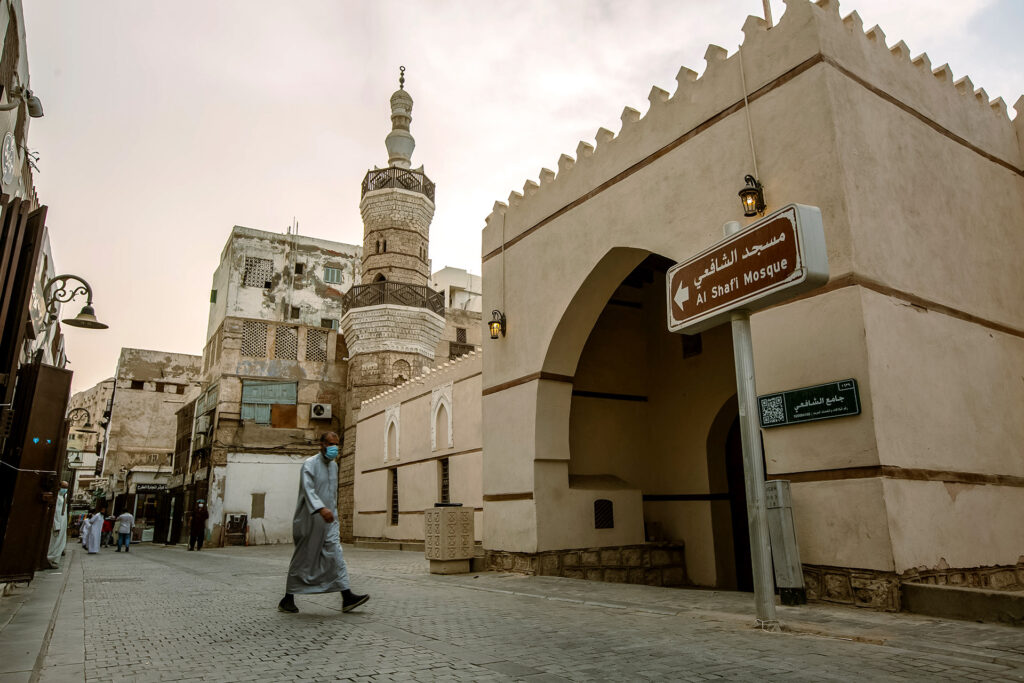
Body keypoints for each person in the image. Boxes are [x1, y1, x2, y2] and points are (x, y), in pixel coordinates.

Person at [278, 432, 368, 614]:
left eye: (337, 444)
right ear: (322, 444)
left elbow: (332, 494)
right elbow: (308, 490)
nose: (334, 447)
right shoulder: (309, 465)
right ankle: (288, 598)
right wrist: (321, 509)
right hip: (310, 520)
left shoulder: (334, 466)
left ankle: (347, 596)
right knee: (303, 559)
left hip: (329, 520)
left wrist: (332, 512)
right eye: (331, 444)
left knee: (336, 554)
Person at [45, 481, 69, 568]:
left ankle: (54, 559)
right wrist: (56, 524)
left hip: (63, 523)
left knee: (59, 542)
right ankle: (48, 558)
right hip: (57, 523)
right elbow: (55, 512)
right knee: (53, 542)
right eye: (63, 487)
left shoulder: (64, 497)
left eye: (66, 487)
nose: (65, 489)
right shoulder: (56, 498)